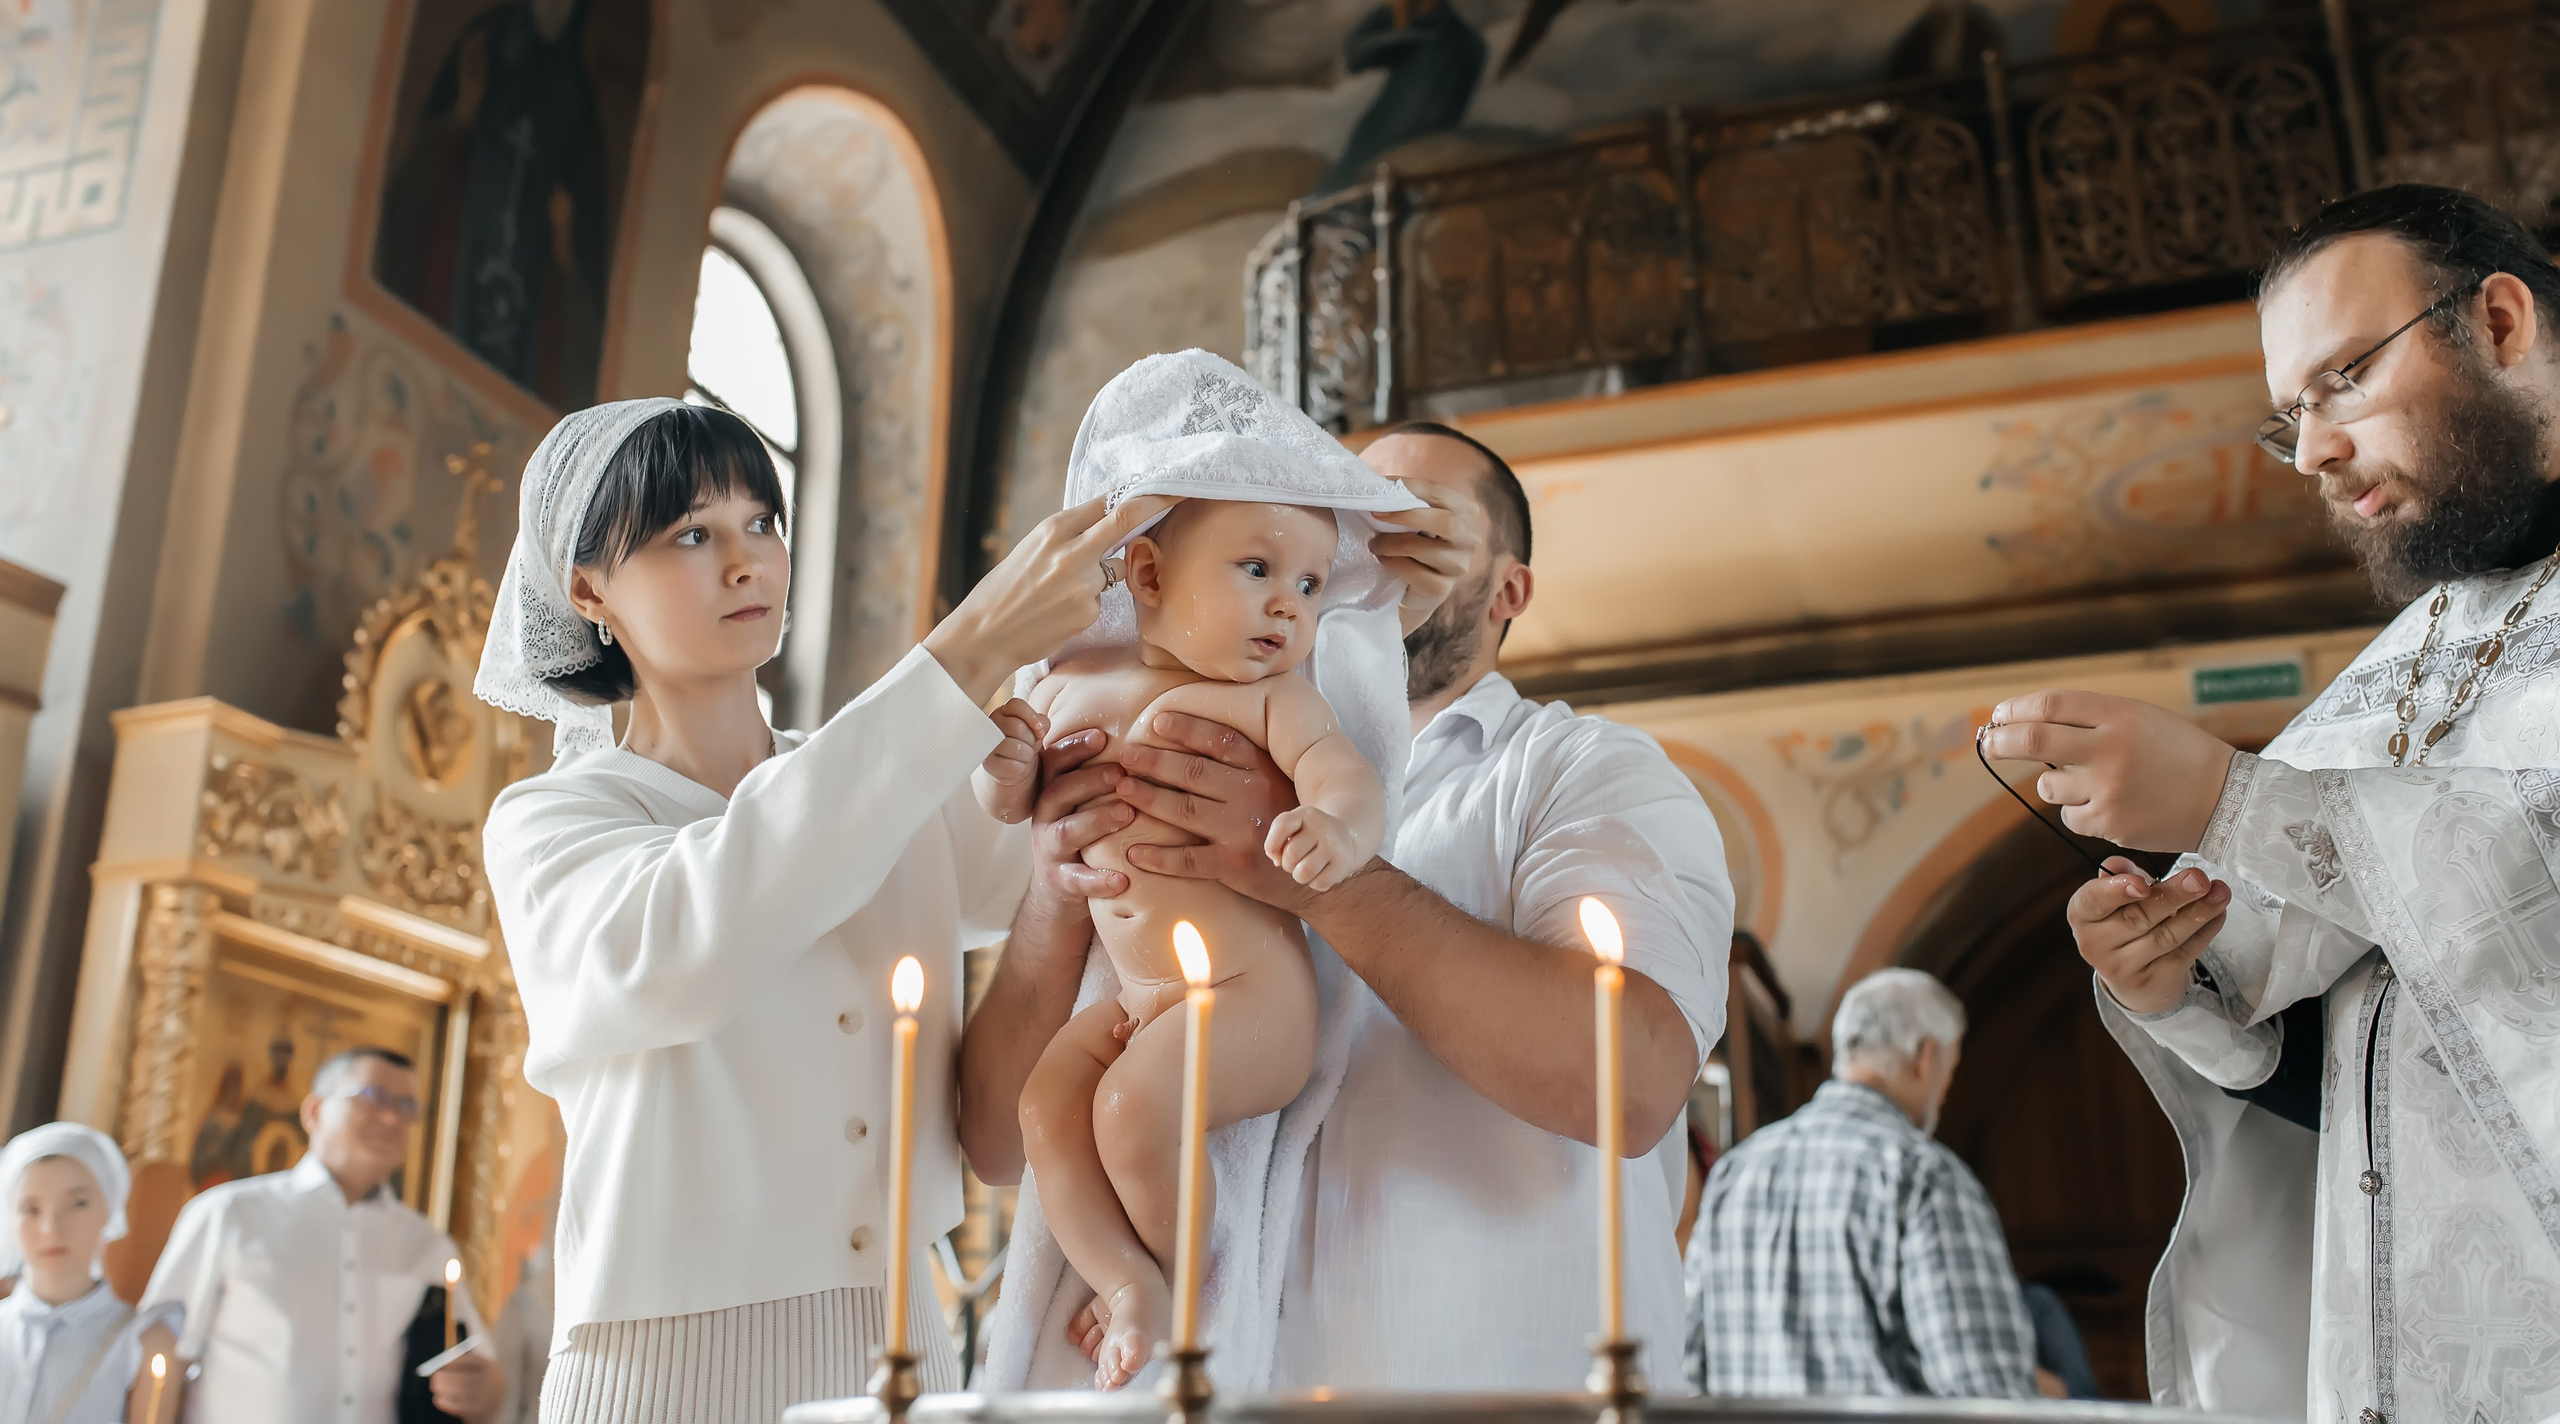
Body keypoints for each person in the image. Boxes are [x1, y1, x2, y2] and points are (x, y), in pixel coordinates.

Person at [977, 419, 1734, 1392]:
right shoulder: (1157, 754)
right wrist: (1058, 883)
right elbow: (1000, 1139)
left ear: (1506, 589)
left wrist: (1309, 873)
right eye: (1345, 519)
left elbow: (1631, 1084)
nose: (1367, 548)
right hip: (1229, 1395)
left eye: (1416, 523)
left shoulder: (1580, 772)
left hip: (1504, 1399)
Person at [473, 398, 1174, 1424]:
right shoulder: (554, 822)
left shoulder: (897, 787)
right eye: (691, 536)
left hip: (900, 1353)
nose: (747, 561)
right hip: (660, 1374)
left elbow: (1052, 867)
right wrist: (968, 652)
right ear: (588, 590)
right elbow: (693, 940)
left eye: (762, 522)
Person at [1982, 183, 2560, 1423]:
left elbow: (2527, 900)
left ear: (2501, 324)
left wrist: (2227, 797)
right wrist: (2177, 980)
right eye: (2289, 414)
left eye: (2343, 378)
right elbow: (2368, 1048)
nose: (2310, 451)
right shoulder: (2401, 664)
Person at [1684, 968, 2038, 1399]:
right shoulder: (1922, 1177)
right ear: (1925, 1058)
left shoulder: (1732, 1174)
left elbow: (1690, 1363)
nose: (1944, 1092)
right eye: (1951, 1067)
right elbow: (1988, 1394)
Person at [142, 1048, 504, 1424]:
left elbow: (484, 1375)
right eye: (372, 1096)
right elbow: (161, 1354)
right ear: (314, 1111)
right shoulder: (227, 1214)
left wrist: (483, 1391)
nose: (391, 1116)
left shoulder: (428, 1246)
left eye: (407, 1105)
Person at [0, 1123, 179, 1424]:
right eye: (31, 1209)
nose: (51, 1229)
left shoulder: (143, 1341)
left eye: (78, 1203)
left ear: (109, 1209)